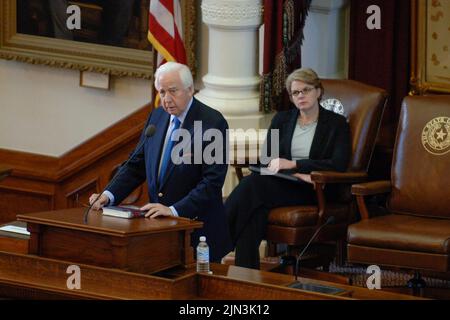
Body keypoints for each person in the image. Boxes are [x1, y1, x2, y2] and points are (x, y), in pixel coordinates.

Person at [89, 62, 232, 263]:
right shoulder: (157, 117)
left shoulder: (211, 123)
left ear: (190, 89)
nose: (166, 99)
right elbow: (136, 164)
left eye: (173, 91)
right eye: (162, 92)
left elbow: (211, 183)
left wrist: (174, 210)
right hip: (158, 232)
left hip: (198, 230)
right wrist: (108, 195)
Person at [225, 68, 351, 269]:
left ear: (318, 91)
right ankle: (246, 275)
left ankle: (214, 244)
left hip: (314, 188)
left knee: (252, 185)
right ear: (291, 97)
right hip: (284, 182)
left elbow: (338, 163)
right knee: (255, 209)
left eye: (306, 90)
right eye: (295, 93)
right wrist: (292, 172)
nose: (301, 96)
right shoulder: (282, 120)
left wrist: (296, 165)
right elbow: (268, 157)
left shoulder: (336, 124)